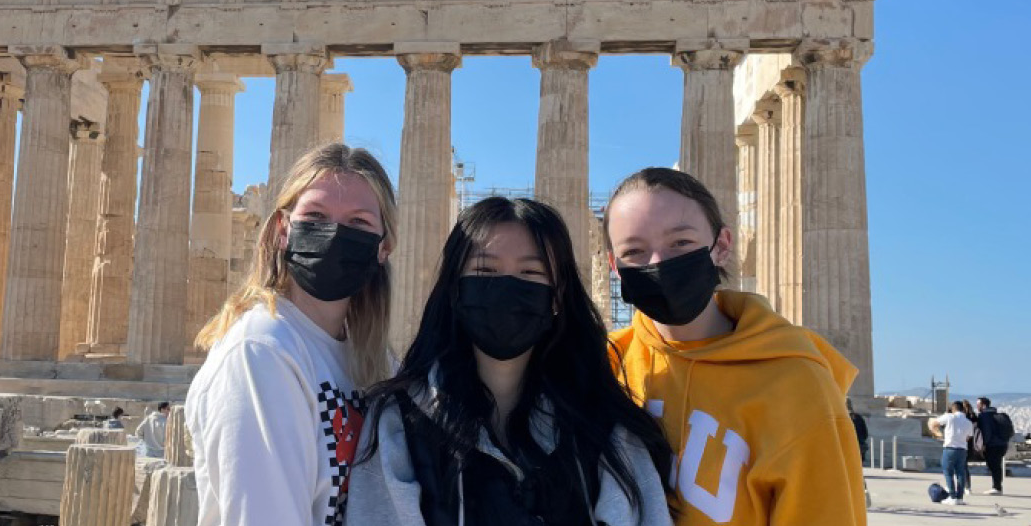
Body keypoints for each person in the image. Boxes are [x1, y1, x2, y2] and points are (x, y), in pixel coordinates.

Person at [349, 197, 674, 526]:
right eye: (485, 270)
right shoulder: (399, 419)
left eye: (530, 272)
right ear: (455, 290)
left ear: (558, 297)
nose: (505, 287)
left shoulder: (607, 430)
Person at [604, 167, 867, 525]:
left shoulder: (797, 385)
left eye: (680, 243)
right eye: (634, 250)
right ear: (614, 266)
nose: (658, 263)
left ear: (722, 246)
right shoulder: (603, 366)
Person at [186, 143, 397, 526]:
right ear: (283, 230)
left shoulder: (372, 360)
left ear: (384, 247)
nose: (334, 234)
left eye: (358, 223)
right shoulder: (261, 353)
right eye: (315, 216)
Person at [929, 401, 974, 505]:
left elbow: (934, 423)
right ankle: (960, 497)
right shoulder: (968, 422)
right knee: (961, 473)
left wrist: (939, 432)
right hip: (962, 449)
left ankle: (952, 496)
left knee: (948, 472)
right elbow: (968, 437)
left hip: (950, 448)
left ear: (953, 409)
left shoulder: (949, 417)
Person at [974, 397, 1012, 494]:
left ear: (983, 405)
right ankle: (997, 486)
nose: (977, 407)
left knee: (994, 466)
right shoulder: (996, 414)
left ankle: (997, 487)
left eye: (978, 404)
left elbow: (987, 432)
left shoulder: (984, 416)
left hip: (992, 445)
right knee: (997, 466)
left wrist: (983, 445)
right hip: (1003, 444)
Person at [847, 399, 868, 463]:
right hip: (860, 446)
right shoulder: (858, 417)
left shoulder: (842, 419)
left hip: (848, 448)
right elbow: (865, 433)